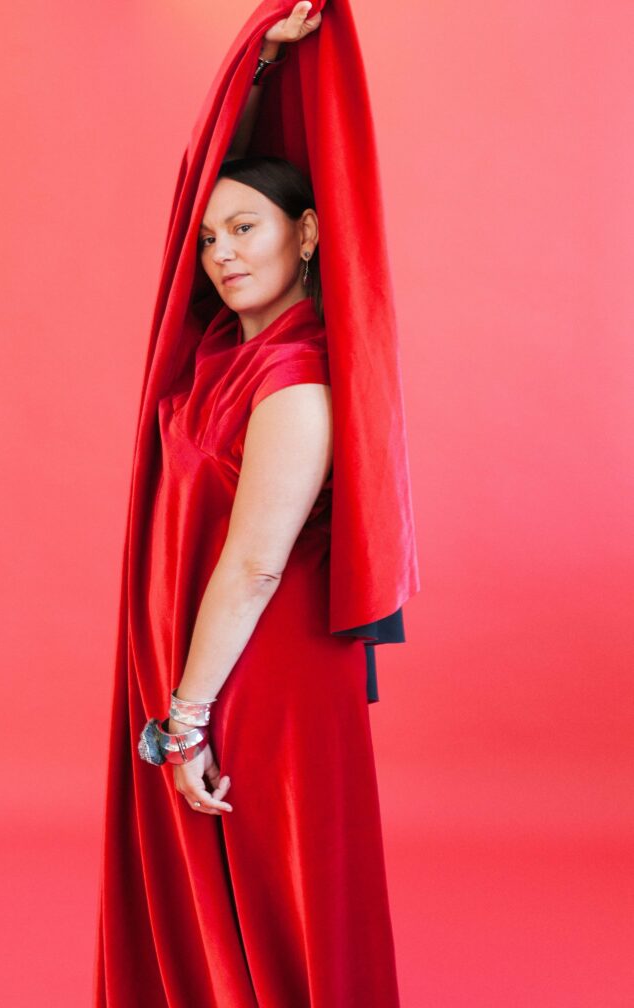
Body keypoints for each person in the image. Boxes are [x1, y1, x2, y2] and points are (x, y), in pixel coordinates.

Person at [95, 2, 418, 1005]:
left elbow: (254, 564)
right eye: (209, 240)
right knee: (214, 908)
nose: (222, 251)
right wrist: (261, 68)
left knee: (274, 909)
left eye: (247, 229)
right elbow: (203, 171)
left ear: (309, 234)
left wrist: (184, 718)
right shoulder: (217, 355)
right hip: (205, 672)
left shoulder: (300, 383)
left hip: (256, 687)